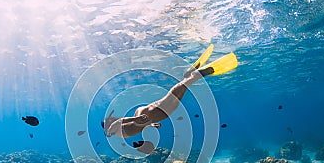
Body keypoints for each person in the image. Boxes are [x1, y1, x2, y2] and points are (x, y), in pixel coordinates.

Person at [102, 45, 238, 138]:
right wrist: (150, 125)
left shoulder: (111, 130)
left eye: (112, 118)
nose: (114, 118)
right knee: (175, 98)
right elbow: (131, 125)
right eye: (111, 118)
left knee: (173, 97)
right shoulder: (114, 130)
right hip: (146, 115)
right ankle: (189, 76)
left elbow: (119, 123)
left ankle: (196, 75)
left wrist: (136, 119)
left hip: (146, 114)